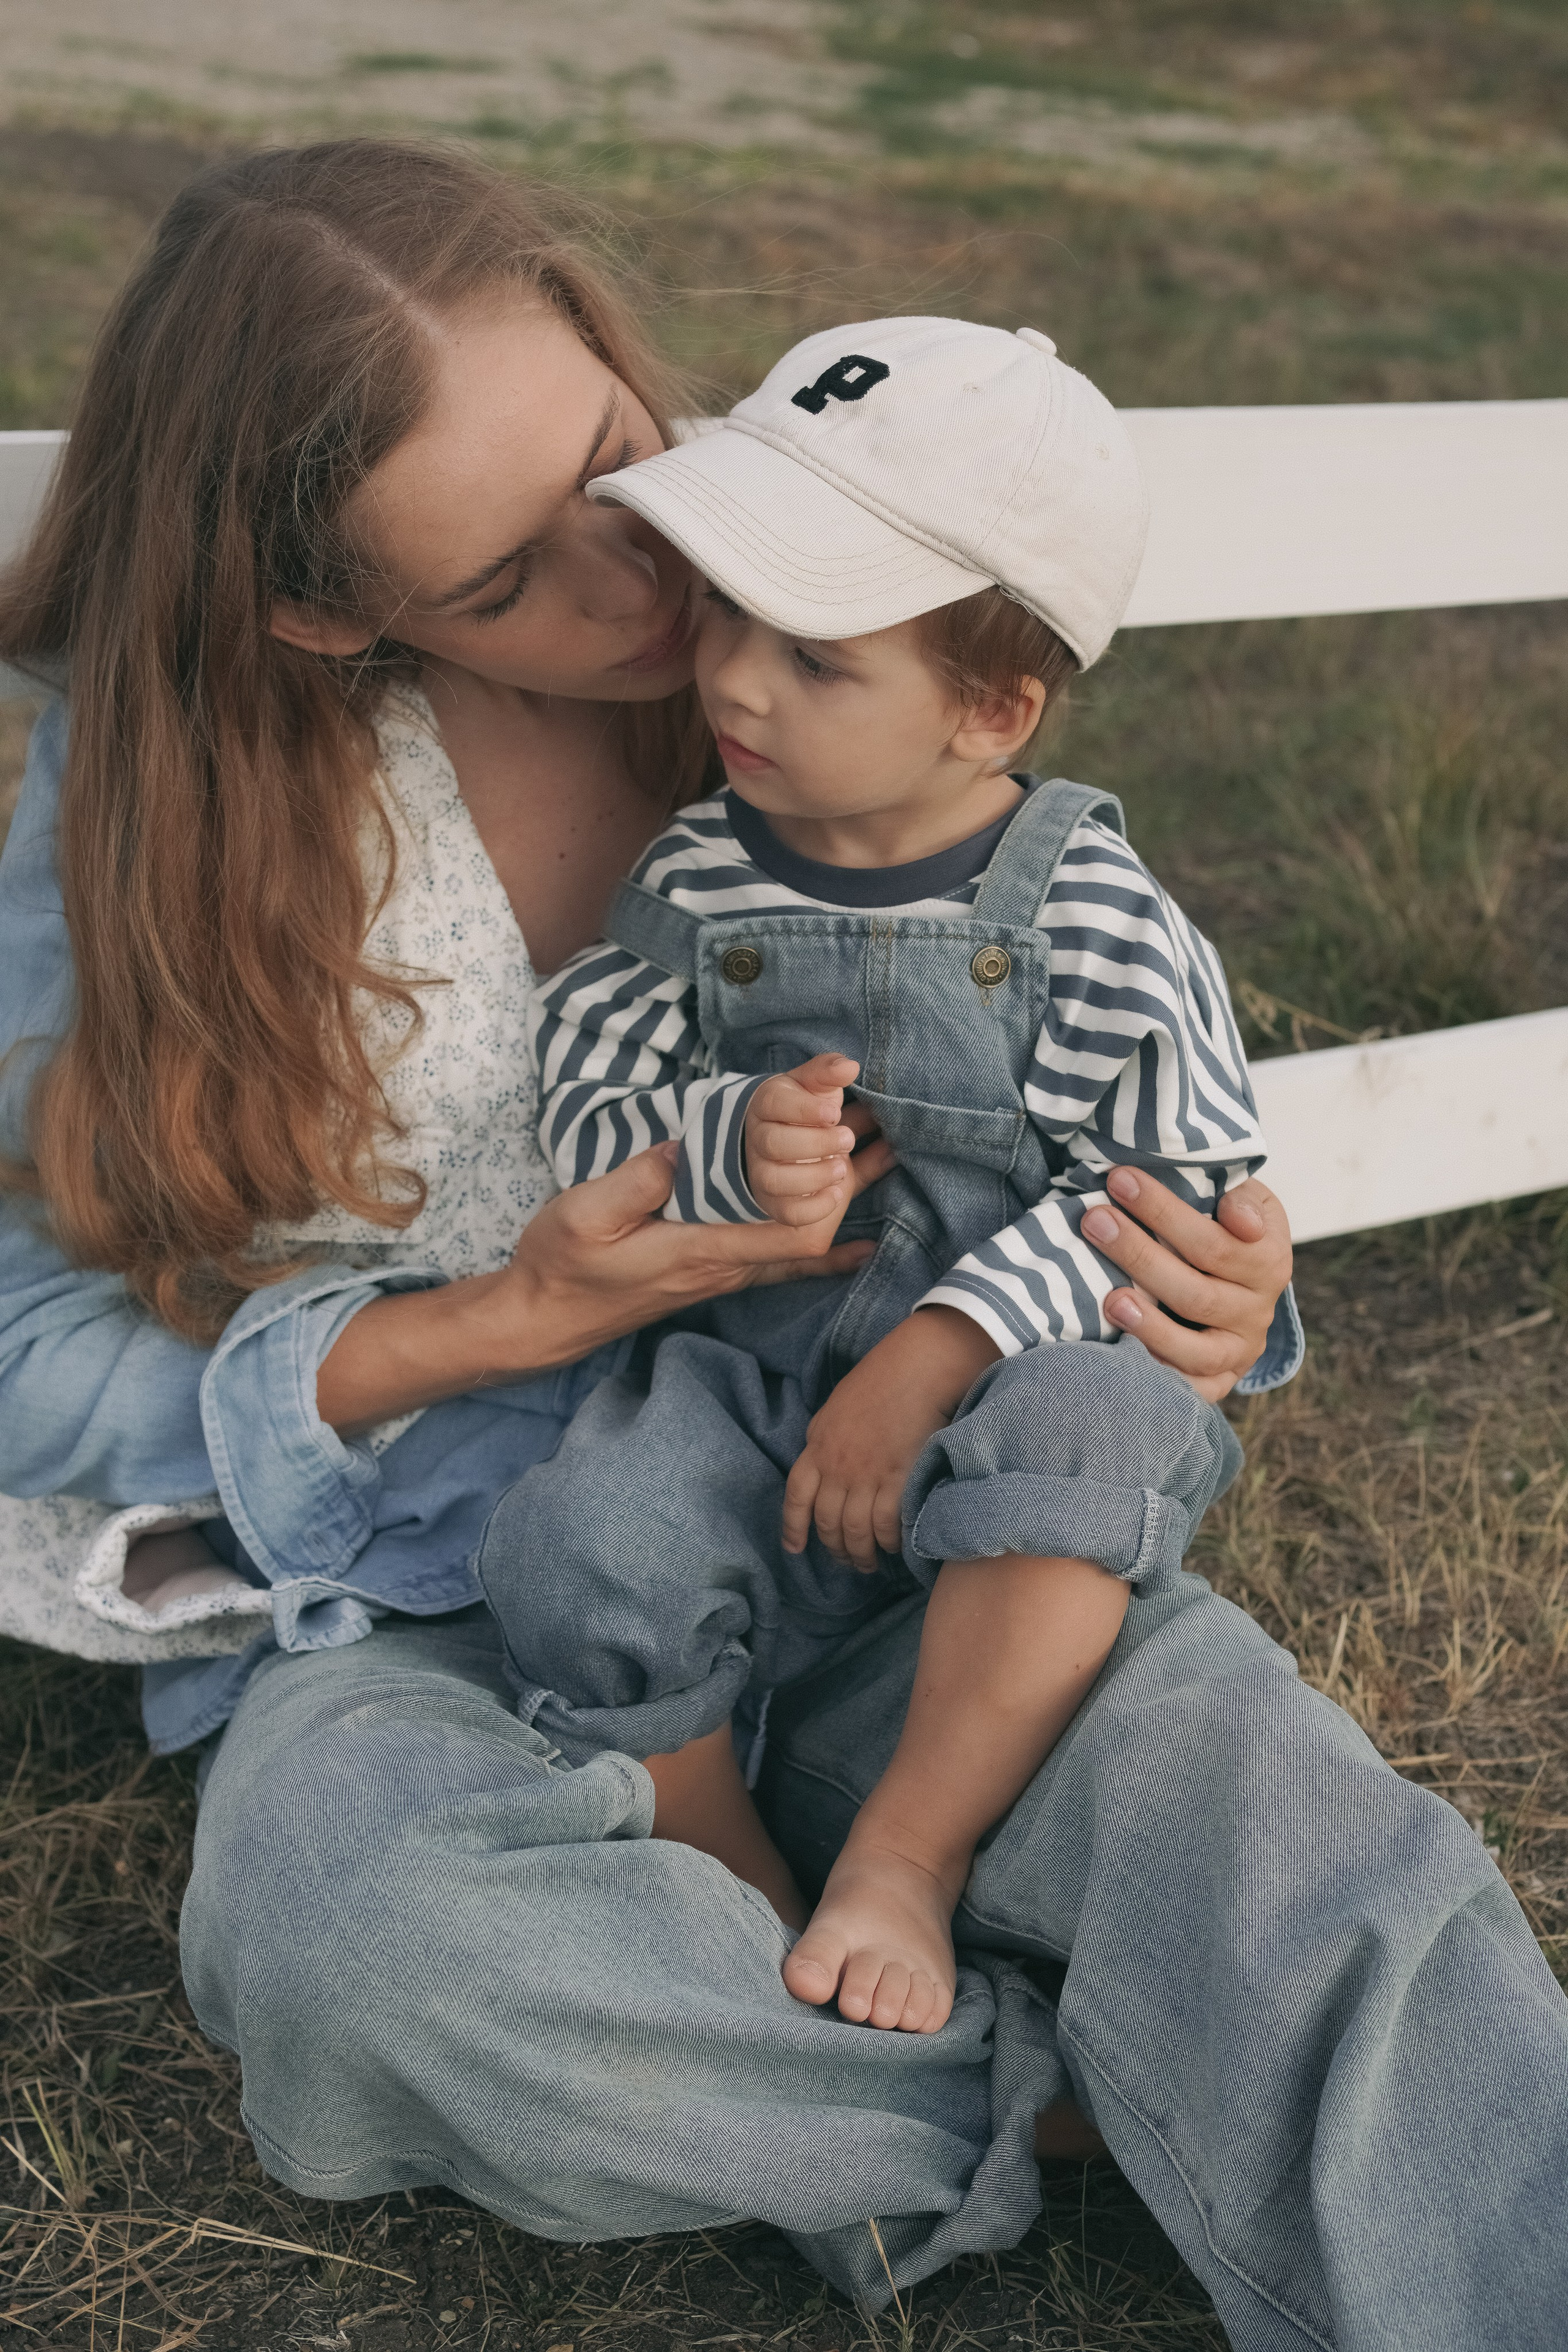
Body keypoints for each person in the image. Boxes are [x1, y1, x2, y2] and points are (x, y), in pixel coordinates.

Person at [0, 141, 1561, 2352]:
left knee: (1291, 1841)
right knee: (351, 1939)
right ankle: (1045, 2094)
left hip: (880, 1483)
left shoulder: (844, 607)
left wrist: (1219, 1298)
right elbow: (18, 1349)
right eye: (514, 575)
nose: (643, 590)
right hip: (439, 1596)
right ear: (338, 614)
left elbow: (1088, 1079)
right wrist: (477, 1326)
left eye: (621, 464)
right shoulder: (155, 816)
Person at [486, 316, 1262, 2037]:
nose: (739, 684)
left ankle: (907, 1851)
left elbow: (1171, 1174)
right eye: (735, 620)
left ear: (992, 708)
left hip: (1001, 1380)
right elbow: (593, 1063)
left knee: (1097, 1439)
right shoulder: (696, 869)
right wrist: (712, 1147)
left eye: (817, 659)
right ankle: (731, 1861)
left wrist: (947, 1346)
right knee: (578, 1538)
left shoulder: (1086, 912)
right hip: (754, 1363)